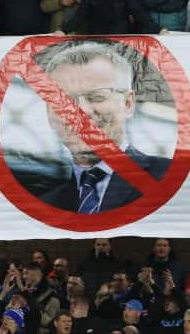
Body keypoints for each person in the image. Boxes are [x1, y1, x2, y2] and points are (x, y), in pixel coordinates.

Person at [34, 38, 169, 212]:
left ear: (128, 103)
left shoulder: (169, 176)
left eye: (97, 97)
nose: (82, 111)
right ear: (50, 113)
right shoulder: (46, 205)